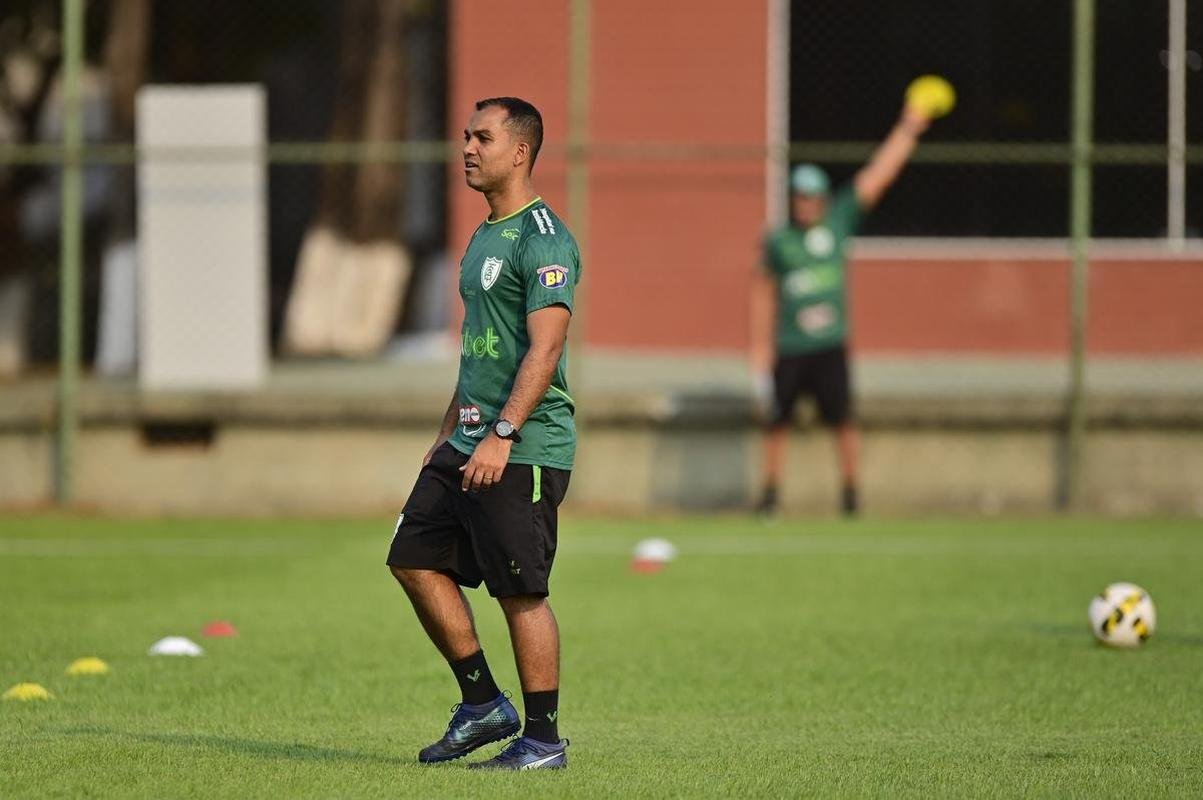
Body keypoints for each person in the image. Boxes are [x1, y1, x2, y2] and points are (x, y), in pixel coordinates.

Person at [387, 97, 580, 770]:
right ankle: (481, 705)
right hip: (466, 439)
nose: (467, 147)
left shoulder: (544, 238)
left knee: (519, 593)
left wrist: (502, 432)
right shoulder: (482, 236)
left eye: (482, 137)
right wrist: (448, 434)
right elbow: (481, 349)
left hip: (522, 446)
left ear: (519, 152)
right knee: (412, 559)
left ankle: (543, 741)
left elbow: (545, 350)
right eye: (466, 136)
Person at [751, 105, 932, 517]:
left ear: (822, 198)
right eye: (798, 196)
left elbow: (877, 176)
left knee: (844, 419)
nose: (804, 203)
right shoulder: (780, 240)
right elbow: (760, 288)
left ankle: (851, 493)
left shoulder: (837, 223)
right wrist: (759, 349)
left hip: (830, 344)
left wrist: (908, 128)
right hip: (791, 345)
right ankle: (770, 494)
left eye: (810, 196)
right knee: (777, 421)